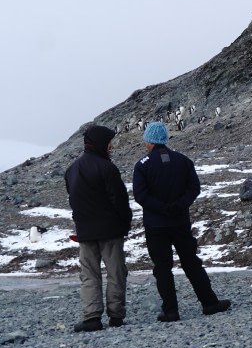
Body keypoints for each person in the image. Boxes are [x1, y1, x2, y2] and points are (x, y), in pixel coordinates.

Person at [132, 121, 231, 322]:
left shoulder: (142, 165)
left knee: (162, 266)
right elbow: (194, 188)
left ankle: (170, 310)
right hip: (180, 221)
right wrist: (179, 205)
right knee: (191, 262)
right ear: (165, 139)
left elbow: (140, 195)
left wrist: (161, 208)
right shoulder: (183, 160)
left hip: (156, 224)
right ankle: (209, 303)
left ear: (149, 141)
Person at [65, 124, 132, 332]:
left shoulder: (71, 170)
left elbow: (73, 199)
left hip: (85, 232)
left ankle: (92, 316)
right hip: (110, 231)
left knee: (89, 274)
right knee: (116, 272)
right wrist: (125, 222)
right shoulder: (107, 167)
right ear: (101, 142)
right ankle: (116, 315)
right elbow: (119, 200)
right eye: (110, 142)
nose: (112, 146)